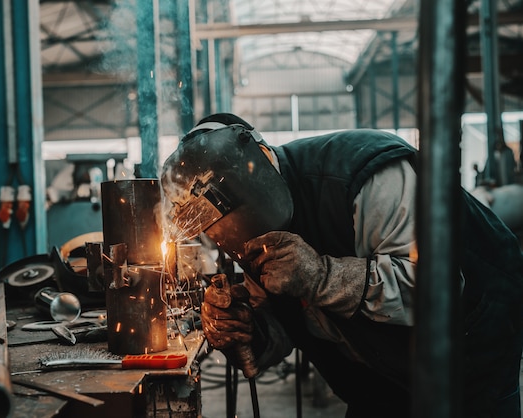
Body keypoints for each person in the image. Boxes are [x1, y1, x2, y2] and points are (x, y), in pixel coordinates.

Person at [160, 113, 523, 418]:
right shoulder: (247, 234)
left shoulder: (361, 174)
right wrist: (244, 330)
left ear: (262, 161)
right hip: (376, 379)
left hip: (470, 360)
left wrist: (322, 277)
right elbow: (285, 329)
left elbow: (436, 289)